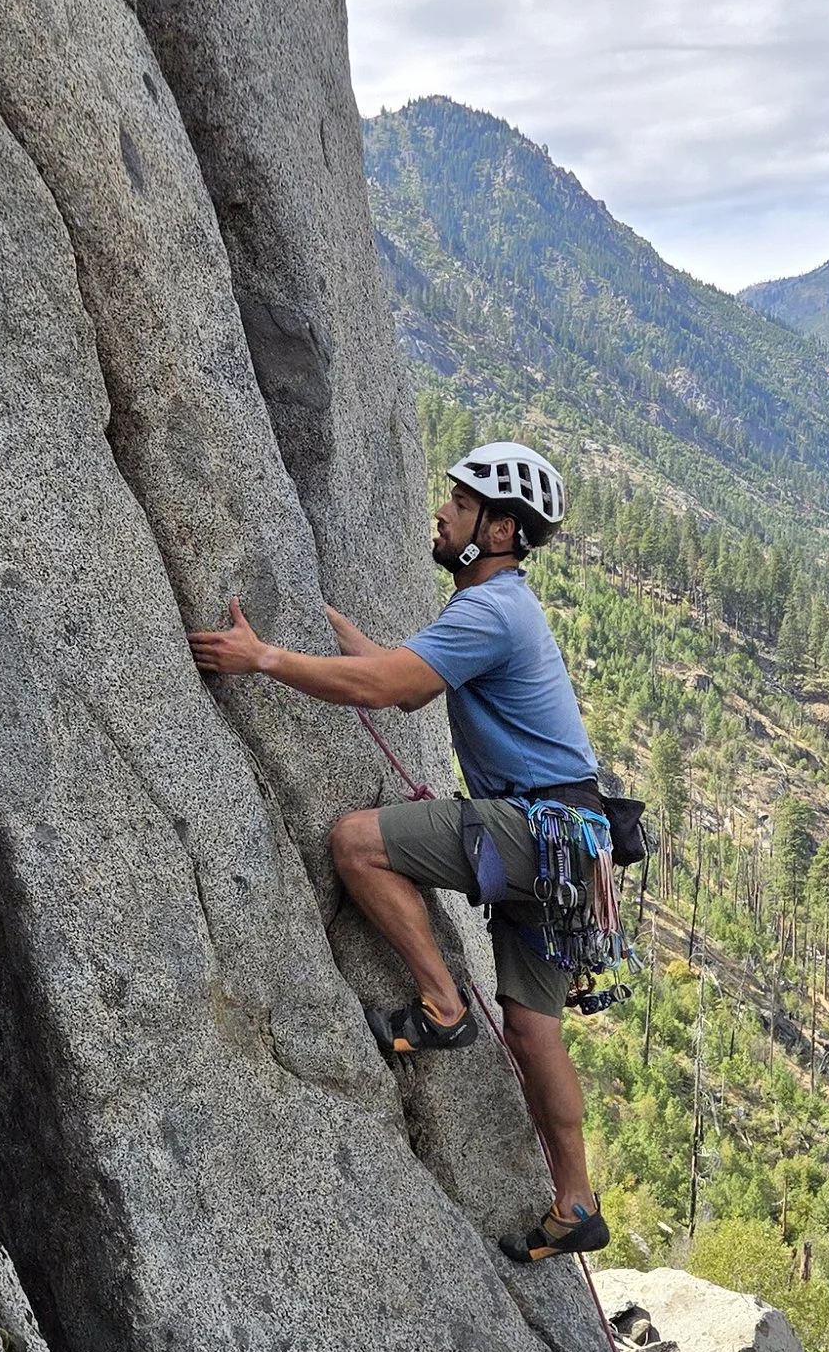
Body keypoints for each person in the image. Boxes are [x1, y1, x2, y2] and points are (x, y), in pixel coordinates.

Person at [186, 440, 612, 1264]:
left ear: (497, 530)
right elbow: (394, 665)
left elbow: (395, 687)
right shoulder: (499, 606)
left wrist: (266, 658)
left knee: (357, 844)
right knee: (532, 1029)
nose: (443, 511)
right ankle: (576, 1202)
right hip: (565, 849)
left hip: (532, 834)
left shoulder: (490, 610)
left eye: (460, 503)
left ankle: (441, 1006)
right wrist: (323, 627)